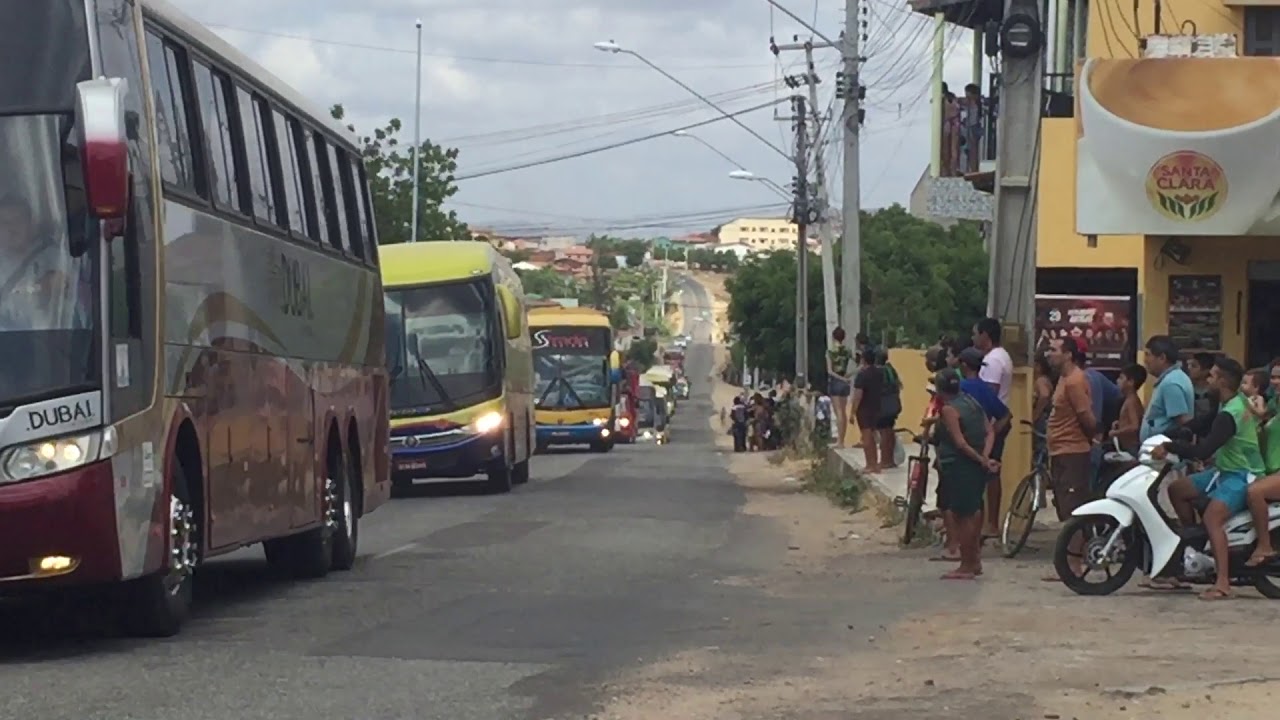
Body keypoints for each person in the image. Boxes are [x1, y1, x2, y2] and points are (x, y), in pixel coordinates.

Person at [1156, 357, 1264, 600]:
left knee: (1212, 518)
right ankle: (1195, 545)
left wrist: (1171, 446)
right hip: (1223, 471)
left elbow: (1204, 450)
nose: (1208, 379)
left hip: (1241, 475)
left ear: (1223, 381)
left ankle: (1222, 582)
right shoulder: (1228, 402)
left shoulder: (1232, 412)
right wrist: (1169, 434)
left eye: (1212, 376)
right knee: (1177, 489)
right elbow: (1202, 424)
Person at [932, 370, 999, 579]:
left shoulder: (949, 410)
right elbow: (990, 431)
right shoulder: (972, 402)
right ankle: (974, 560)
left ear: (939, 389)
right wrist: (985, 457)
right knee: (974, 511)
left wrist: (981, 460)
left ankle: (967, 564)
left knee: (962, 516)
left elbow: (960, 443)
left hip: (960, 466)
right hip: (976, 466)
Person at [1044, 336, 1096, 581]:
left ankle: (1074, 565)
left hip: (1073, 451)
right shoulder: (1064, 379)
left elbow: (1086, 416)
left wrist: (1093, 436)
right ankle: (1070, 561)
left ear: (1068, 354)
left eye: (1054, 350)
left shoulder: (1075, 381)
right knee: (1065, 508)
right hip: (1060, 450)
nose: (1049, 354)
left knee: (1075, 509)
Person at [973, 318, 1013, 536]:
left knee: (990, 471)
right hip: (996, 422)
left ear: (985, 335)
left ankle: (991, 524)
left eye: (975, 333)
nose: (973, 338)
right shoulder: (1001, 356)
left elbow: (989, 395)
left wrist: (985, 428)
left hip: (993, 423)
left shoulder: (993, 361)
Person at [1244, 365, 1280, 566]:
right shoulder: (1275, 403)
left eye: (1279, 377)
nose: (1275, 382)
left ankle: (1264, 545)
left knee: (1255, 492)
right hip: (1269, 468)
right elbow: (1263, 416)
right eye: (1273, 377)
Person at [1140, 335, 1195, 443]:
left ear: (1162, 358)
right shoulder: (1172, 378)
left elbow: (1182, 422)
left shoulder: (1171, 384)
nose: (1145, 360)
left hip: (1164, 450)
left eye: (1148, 355)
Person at [852, 350, 885, 473]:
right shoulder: (879, 373)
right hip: (876, 408)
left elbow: (858, 395)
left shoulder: (862, 375)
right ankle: (875, 463)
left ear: (863, 360)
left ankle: (870, 464)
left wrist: (852, 411)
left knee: (866, 438)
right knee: (873, 437)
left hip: (864, 409)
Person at [1110, 364, 1147, 455]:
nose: (1117, 381)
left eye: (1121, 378)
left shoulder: (1131, 401)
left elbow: (1134, 426)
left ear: (1130, 382)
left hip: (1131, 447)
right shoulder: (1130, 399)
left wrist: (1116, 432)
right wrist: (1120, 423)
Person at [875, 347, 903, 467]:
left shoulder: (878, 372)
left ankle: (885, 460)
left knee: (884, 433)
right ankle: (890, 460)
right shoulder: (890, 369)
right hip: (894, 404)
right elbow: (899, 385)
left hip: (883, 406)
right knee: (889, 431)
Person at [826, 327, 854, 448]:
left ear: (833, 337)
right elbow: (859, 363)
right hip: (844, 381)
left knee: (838, 412)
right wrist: (848, 376)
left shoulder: (830, 351)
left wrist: (841, 379)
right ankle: (842, 440)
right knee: (843, 412)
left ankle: (839, 441)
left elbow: (830, 371)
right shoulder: (847, 351)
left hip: (835, 382)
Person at [1187, 352, 1220, 441]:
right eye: (1189, 365)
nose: (1189, 368)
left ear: (1206, 371)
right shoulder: (1188, 387)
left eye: (1194, 366)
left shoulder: (1214, 391)